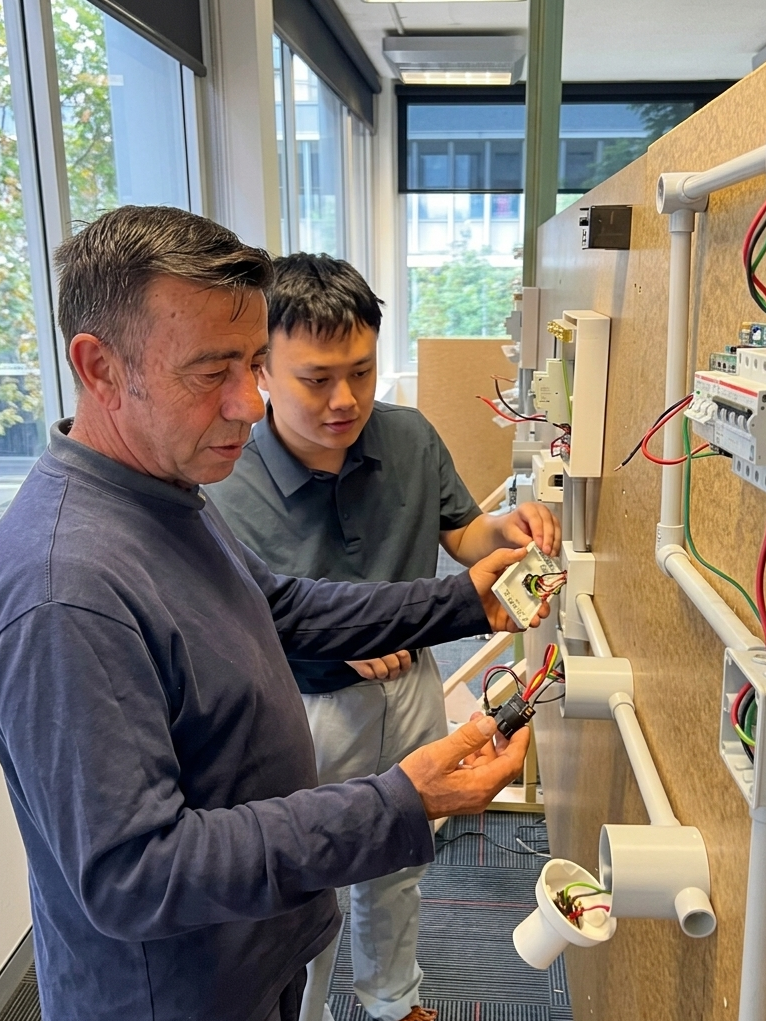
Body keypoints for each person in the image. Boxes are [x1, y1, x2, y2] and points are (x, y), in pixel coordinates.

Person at [0, 207, 547, 1021]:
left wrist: (459, 600)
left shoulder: (165, 494)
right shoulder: (65, 588)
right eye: (211, 372)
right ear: (99, 368)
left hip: (246, 949)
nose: (247, 402)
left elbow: (276, 604)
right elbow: (136, 872)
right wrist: (397, 802)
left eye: (250, 364)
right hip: (174, 995)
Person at [206, 253, 560, 1021]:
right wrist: (329, 644)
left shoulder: (407, 437)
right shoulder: (223, 478)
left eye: (363, 371)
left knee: (400, 856)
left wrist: (507, 528)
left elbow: (463, 534)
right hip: (303, 705)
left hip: (409, 690)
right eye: (317, 378)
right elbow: (224, 628)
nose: (346, 399)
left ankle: (393, 999)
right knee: (307, 875)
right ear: (263, 370)